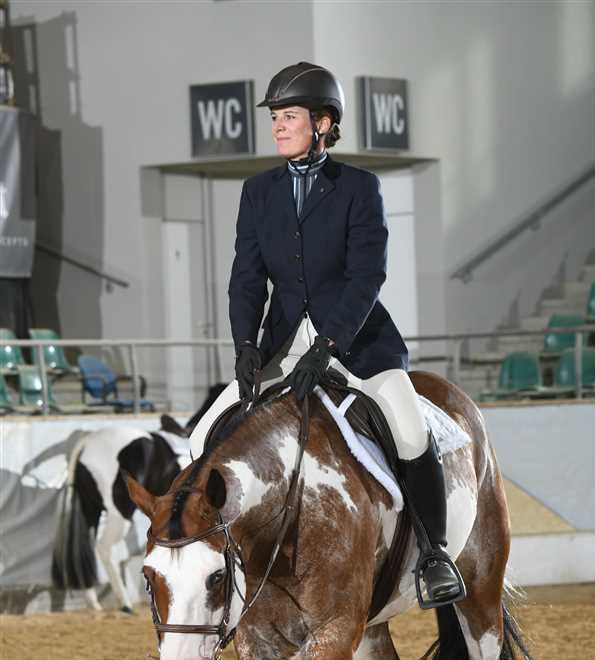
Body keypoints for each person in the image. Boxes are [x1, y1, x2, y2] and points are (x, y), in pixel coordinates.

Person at [189, 62, 464, 607]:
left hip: (356, 341)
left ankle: (435, 555)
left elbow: (367, 276)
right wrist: (244, 345)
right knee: (200, 439)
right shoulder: (258, 191)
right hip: (283, 344)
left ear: (322, 123)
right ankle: (215, 556)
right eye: (275, 117)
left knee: (410, 432)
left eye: (288, 116)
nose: (277, 126)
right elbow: (247, 279)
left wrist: (328, 344)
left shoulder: (359, 187)